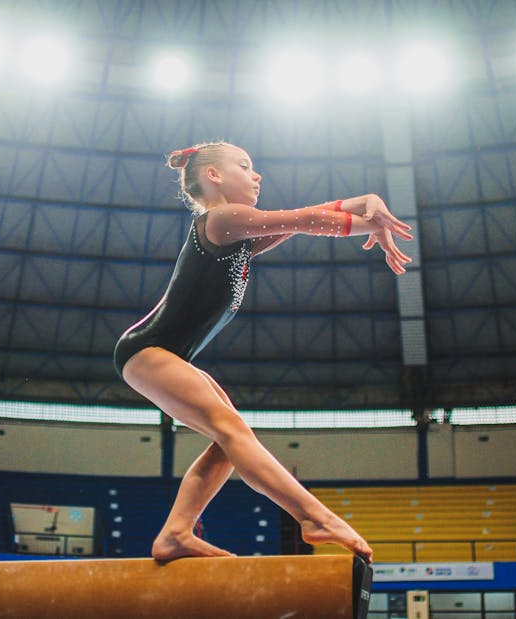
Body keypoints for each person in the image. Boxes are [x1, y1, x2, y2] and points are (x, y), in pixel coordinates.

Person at [113, 141, 413, 563]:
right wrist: (365, 221)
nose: (257, 176)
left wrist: (361, 203)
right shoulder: (221, 219)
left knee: (229, 440)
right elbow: (306, 219)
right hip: (149, 350)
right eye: (245, 166)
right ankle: (314, 517)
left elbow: (296, 222)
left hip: (163, 353)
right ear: (213, 176)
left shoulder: (235, 233)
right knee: (232, 432)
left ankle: (176, 533)